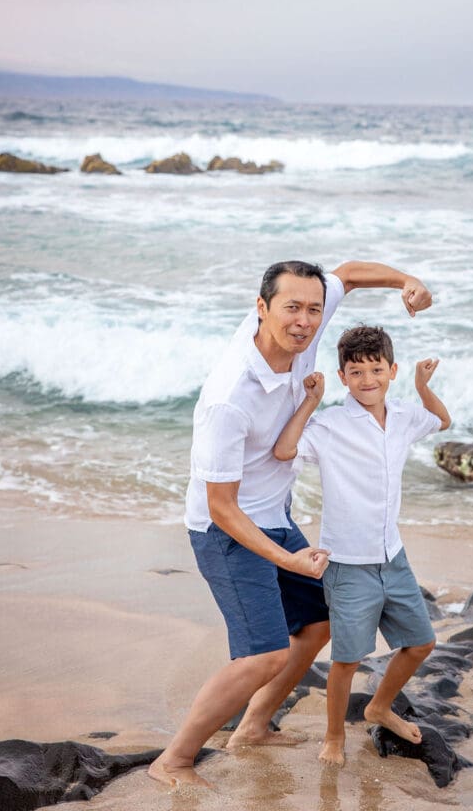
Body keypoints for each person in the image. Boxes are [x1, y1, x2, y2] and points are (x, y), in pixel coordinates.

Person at [149, 260, 433, 787]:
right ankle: (175, 759)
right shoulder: (229, 399)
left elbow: (347, 272)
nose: (304, 321)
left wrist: (406, 282)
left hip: (274, 517)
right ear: (261, 309)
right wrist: (288, 559)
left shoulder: (304, 326)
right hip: (228, 533)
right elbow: (221, 509)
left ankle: (254, 726)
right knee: (263, 654)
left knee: (318, 623)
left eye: (313, 309)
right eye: (292, 309)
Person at [273, 324, 451, 766]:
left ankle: (378, 706)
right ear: (343, 375)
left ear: (391, 370)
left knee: (421, 643)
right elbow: (283, 450)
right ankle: (334, 735)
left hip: (393, 556)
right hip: (348, 564)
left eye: (376, 369)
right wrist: (311, 401)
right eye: (356, 372)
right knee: (348, 660)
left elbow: (442, 420)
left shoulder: (406, 416)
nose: (367, 380)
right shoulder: (331, 424)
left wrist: (423, 386)